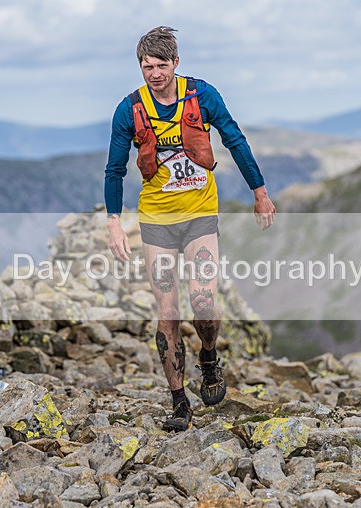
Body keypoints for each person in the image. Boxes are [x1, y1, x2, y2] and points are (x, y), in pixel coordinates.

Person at [104, 27, 276, 431]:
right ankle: (180, 401)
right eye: (146, 67)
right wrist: (114, 221)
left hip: (200, 214)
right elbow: (114, 169)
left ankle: (210, 359)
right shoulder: (128, 109)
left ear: (175, 62)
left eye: (161, 65)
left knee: (202, 302)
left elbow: (235, 140)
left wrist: (260, 192)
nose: (154, 74)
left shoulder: (202, 95)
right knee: (167, 312)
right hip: (157, 221)